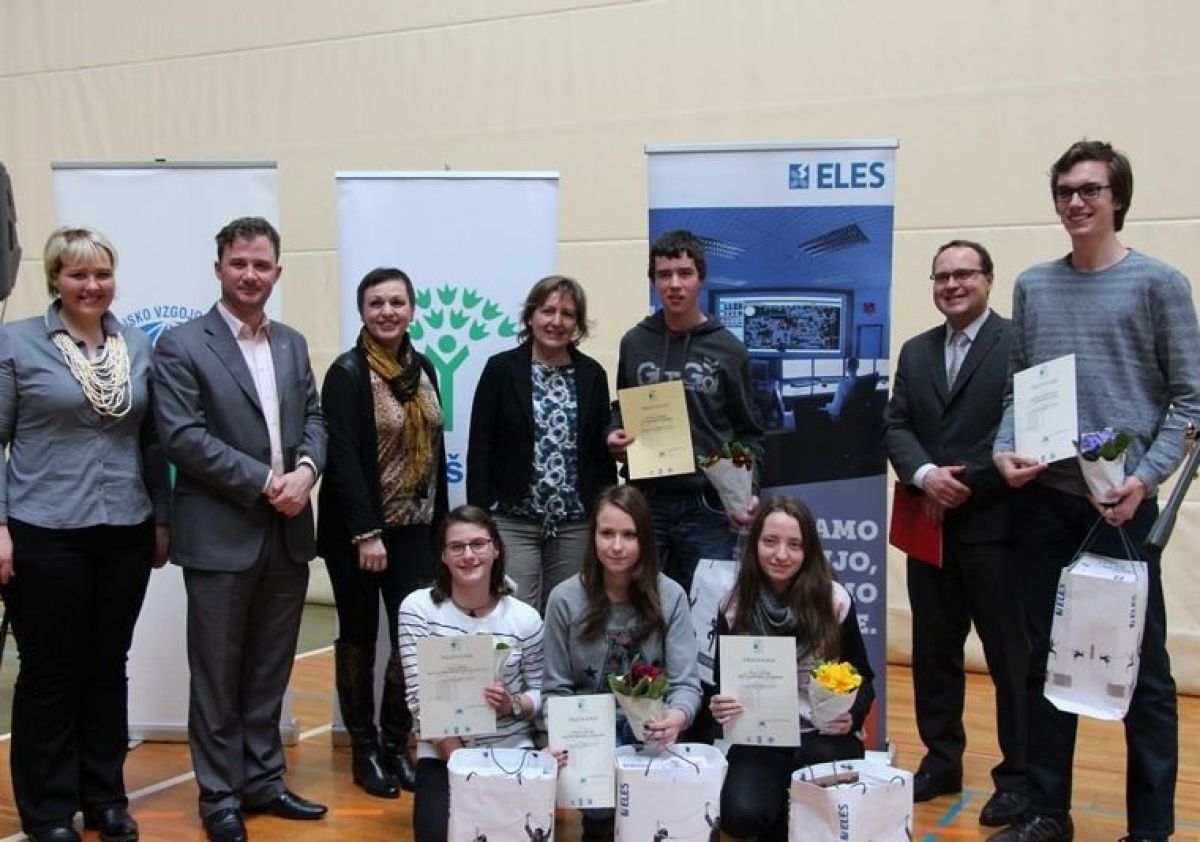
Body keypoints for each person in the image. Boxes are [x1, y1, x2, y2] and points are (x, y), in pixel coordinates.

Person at [991, 140, 1200, 842]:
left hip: (1122, 508)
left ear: (1118, 198)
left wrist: (1144, 479)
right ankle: (1048, 813)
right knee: (1046, 661)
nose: (1075, 202)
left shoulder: (1159, 284)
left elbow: (1190, 402)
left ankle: (1150, 829)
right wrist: (1004, 448)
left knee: (1144, 673)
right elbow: (1020, 391)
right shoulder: (1034, 286)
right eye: (1064, 192)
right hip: (1045, 504)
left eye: (1090, 190)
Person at [153, 217, 327, 842]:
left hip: (288, 532)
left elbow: (315, 418)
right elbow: (182, 437)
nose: (251, 275)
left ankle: (263, 780)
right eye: (239, 264)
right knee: (217, 676)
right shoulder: (181, 345)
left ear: (278, 271)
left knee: (269, 671)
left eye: (262, 265)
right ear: (218, 268)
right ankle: (220, 796)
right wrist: (264, 481)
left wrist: (305, 472)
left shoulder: (292, 343)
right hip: (221, 535)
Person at [0, 227, 169, 842]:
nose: (91, 286)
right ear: (55, 279)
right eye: (77, 274)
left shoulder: (136, 346)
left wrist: (161, 519)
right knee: (50, 671)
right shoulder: (16, 342)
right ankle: (48, 810)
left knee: (106, 666)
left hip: (124, 529)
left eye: (101, 274)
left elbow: (152, 441)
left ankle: (104, 797)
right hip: (44, 529)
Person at [882, 240, 1028, 827]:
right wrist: (924, 475)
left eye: (964, 274)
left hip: (997, 530)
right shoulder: (916, 351)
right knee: (933, 654)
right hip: (930, 532)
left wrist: (959, 483)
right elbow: (896, 426)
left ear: (988, 279)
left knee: (1010, 660)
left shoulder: (1018, 343)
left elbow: (1022, 425)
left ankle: (1017, 778)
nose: (952, 285)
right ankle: (942, 761)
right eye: (942, 276)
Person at [317, 267, 448, 798]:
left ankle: (398, 745)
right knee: (358, 637)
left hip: (416, 528)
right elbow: (343, 458)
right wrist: (366, 533)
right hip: (360, 534)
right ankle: (364, 750)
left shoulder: (424, 369)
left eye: (397, 302)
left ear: (412, 310)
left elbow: (435, 452)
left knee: (411, 639)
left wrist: (443, 528)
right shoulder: (347, 372)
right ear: (362, 311)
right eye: (377, 303)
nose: (387, 312)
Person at [606, 229, 763, 596]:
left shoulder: (729, 349)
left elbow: (749, 432)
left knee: (706, 608)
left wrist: (747, 489)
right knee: (642, 604)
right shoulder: (635, 342)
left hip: (708, 505)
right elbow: (621, 408)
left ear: (701, 278)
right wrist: (613, 433)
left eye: (684, 273)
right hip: (646, 502)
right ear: (653, 281)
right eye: (664, 274)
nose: (674, 284)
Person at [709, 496, 875, 842]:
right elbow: (722, 685)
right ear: (755, 545)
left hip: (824, 736)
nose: (781, 555)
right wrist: (720, 706)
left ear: (808, 551)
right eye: (770, 541)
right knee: (739, 815)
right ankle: (779, 817)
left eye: (794, 545)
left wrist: (853, 716)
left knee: (827, 801)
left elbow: (864, 679)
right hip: (761, 737)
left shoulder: (835, 601)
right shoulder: (732, 606)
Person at [542, 483, 702, 840]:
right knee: (601, 809)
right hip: (589, 731)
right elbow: (555, 689)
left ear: (645, 539)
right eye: (607, 534)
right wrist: (564, 736)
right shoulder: (564, 598)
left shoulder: (671, 595)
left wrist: (677, 717)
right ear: (592, 537)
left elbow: (686, 684)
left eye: (629, 535)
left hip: (652, 727)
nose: (617, 546)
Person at [467, 274, 616, 611]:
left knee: (569, 613)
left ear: (577, 323)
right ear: (531, 315)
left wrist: (604, 514)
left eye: (567, 314)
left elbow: (599, 452)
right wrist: (479, 519)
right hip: (513, 520)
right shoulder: (501, 369)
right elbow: (480, 448)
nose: (556, 322)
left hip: (575, 523)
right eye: (548, 311)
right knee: (515, 613)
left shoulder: (592, 374)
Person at [397, 505, 544, 842]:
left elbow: (540, 692)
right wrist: (465, 767)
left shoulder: (525, 619)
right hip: (443, 751)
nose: (468, 555)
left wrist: (512, 704)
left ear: (496, 549)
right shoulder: (418, 609)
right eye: (457, 547)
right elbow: (419, 700)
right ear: (443, 556)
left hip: (510, 749)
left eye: (478, 544)